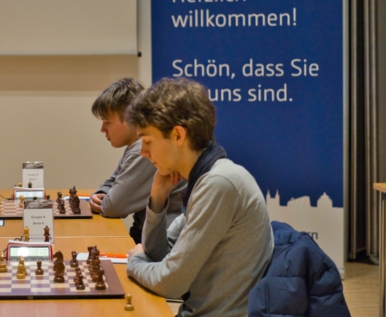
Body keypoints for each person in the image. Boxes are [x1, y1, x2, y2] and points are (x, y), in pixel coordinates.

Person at [126, 77, 273, 317]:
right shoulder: (204, 177)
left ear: (178, 135)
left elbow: (171, 282)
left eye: (148, 141)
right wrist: (158, 197)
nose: (142, 152)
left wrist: (135, 262)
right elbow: (159, 256)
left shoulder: (219, 183)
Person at [89, 78, 184, 243]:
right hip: (149, 235)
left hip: (164, 242)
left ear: (129, 118)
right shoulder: (136, 145)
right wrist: (99, 194)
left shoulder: (144, 148)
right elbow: (112, 181)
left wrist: (102, 200)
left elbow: (114, 206)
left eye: (107, 122)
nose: (102, 129)